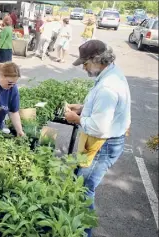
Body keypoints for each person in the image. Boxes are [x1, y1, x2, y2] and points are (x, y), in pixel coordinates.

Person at [64, 40, 131, 237]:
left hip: (103, 144)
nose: (84, 68)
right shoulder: (111, 73)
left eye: (85, 63)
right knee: (81, 184)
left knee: (84, 189)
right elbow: (104, 112)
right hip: (107, 140)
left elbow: (99, 127)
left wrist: (76, 118)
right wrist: (84, 109)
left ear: (96, 60)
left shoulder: (107, 87)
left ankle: (83, 233)